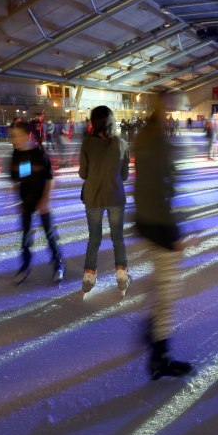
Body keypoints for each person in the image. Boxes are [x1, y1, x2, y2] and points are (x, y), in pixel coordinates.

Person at [133, 97, 193, 379]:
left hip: (147, 223)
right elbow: (159, 190)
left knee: (162, 287)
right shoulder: (157, 143)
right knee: (168, 294)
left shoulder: (144, 140)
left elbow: (148, 187)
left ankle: (154, 336)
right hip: (159, 227)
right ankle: (160, 354)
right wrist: (173, 234)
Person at [78, 106, 131, 295]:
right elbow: (124, 175)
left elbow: (83, 173)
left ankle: (89, 275)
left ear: (93, 122)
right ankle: (122, 274)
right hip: (115, 195)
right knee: (118, 237)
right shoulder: (122, 144)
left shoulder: (87, 143)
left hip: (93, 196)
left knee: (94, 237)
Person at [8, 120, 64, 284]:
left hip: (42, 201)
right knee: (25, 235)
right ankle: (25, 264)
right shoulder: (16, 154)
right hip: (26, 201)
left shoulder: (39, 154)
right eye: (13, 136)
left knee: (49, 234)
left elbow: (50, 179)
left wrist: (45, 200)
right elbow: (17, 179)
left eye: (17, 136)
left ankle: (58, 263)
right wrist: (14, 198)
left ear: (28, 136)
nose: (14, 140)